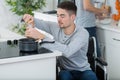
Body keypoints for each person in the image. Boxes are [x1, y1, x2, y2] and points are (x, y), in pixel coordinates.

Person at [23, 1, 97, 80]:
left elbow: (68, 51)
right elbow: (39, 23)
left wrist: (43, 38)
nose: (58, 19)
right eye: (57, 15)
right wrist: (31, 18)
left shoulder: (82, 33)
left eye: (62, 16)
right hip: (65, 70)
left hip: (83, 70)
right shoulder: (55, 27)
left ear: (72, 17)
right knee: (63, 76)